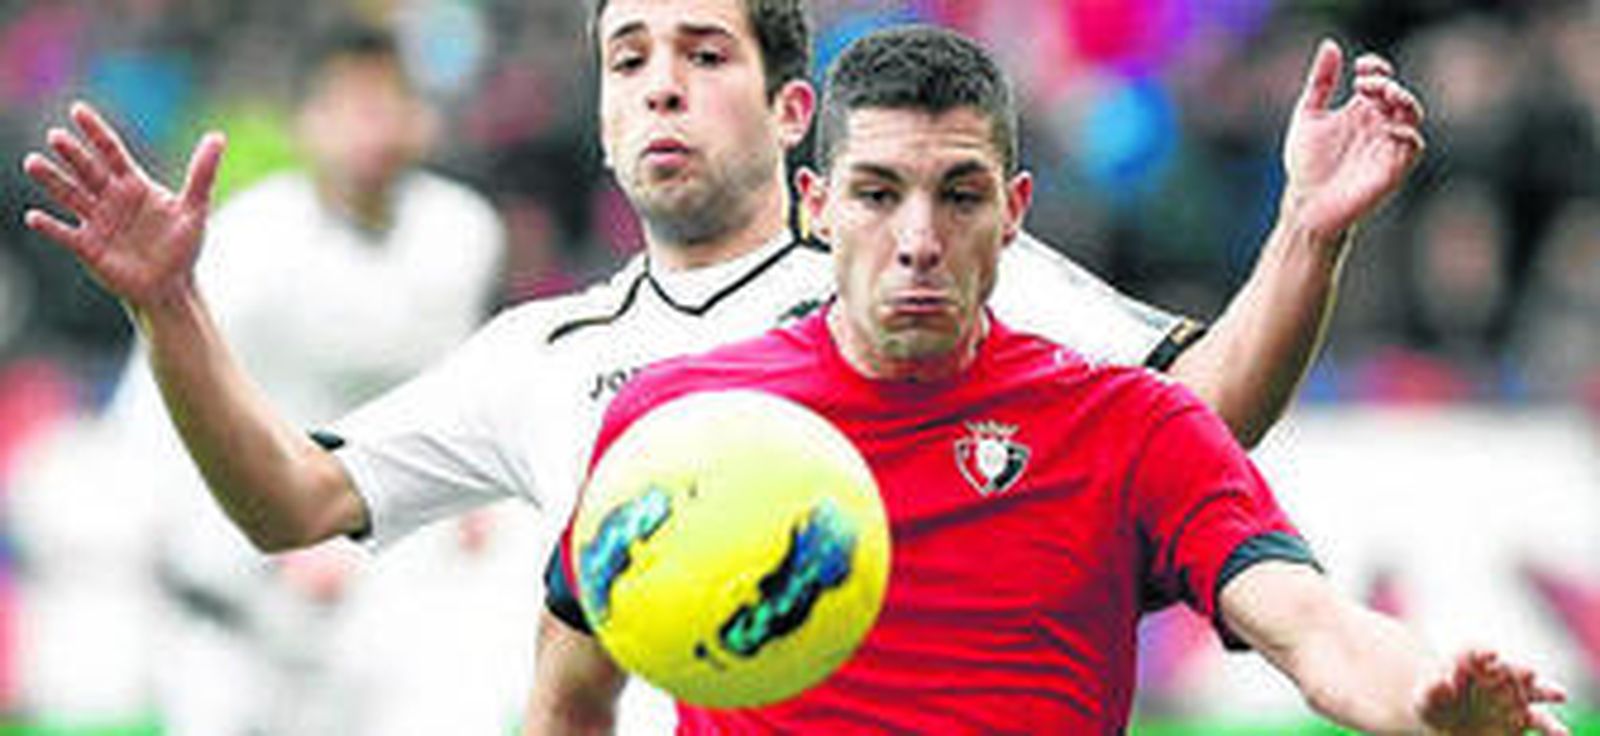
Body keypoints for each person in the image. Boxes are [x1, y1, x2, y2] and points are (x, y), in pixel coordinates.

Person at [20, 0, 1422, 730]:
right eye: (628, 59)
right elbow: (287, 503)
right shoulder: (545, 357)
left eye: (703, 52)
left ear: (795, 114)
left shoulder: (910, 250)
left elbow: (1186, 429)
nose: (661, 85)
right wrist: (170, 309)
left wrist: (1303, 239)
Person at [530, 25, 1566, 735]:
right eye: (878, 193)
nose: (919, 239)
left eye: (960, 194)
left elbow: (1310, 622)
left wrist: (1420, 697)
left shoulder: (1126, 425)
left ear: (1015, 210)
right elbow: (570, 694)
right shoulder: (676, 422)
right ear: (812, 205)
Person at [85, 25, 506, 735]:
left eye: (390, 104)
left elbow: (466, 394)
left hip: (388, 592)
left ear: (421, 120)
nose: (373, 127)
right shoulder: (247, 242)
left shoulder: (463, 234)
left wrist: (475, 504)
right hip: (238, 592)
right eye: (351, 106)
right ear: (307, 123)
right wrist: (264, 552)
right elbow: (156, 419)